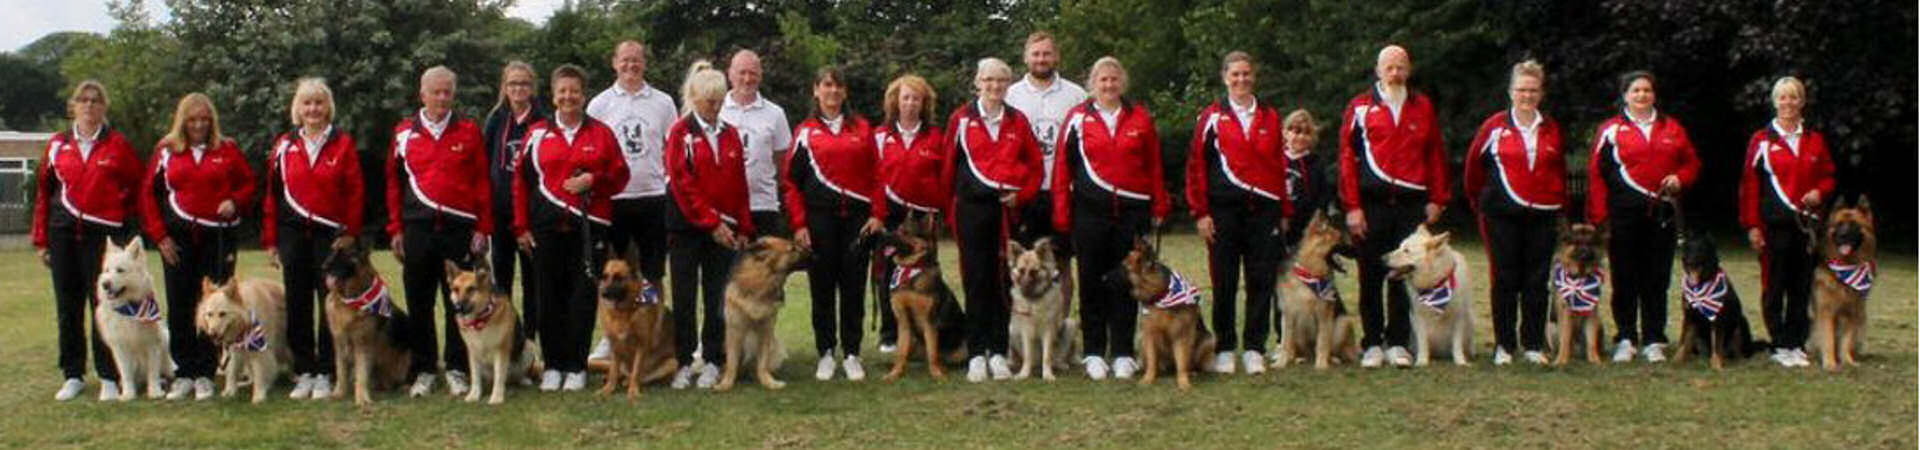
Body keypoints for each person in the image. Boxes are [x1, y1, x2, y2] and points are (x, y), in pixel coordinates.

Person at [514, 64, 630, 391]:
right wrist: (521, 225)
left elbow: (621, 175)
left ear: (584, 95)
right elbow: (520, 183)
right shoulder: (536, 133)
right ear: (553, 95)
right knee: (548, 296)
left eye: (574, 91)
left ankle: (576, 366)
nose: (568, 97)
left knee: (581, 296)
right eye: (562, 91)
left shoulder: (602, 133)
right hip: (546, 228)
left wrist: (594, 179)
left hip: (589, 227)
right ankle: (553, 365)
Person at [1055, 57, 1167, 380]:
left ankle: (1122, 352)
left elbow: (1154, 166)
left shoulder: (1141, 119)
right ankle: (1093, 352)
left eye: (1114, 79)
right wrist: (1062, 214)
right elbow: (1062, 169)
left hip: (1132, 213)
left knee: (1128, 282)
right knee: (1091, 282)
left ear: (1123, 82)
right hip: (1089, 214)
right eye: (1103, 80)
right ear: (1093, 83)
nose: (1109, 85)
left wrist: (1160, 205)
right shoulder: (1077, 119)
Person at [1339, 45, 1449, 368]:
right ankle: (1372, 342)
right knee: (1370, 272)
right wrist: (1352, 206)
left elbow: (1435, 154)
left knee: (1404, 272)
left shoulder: (1422, 106)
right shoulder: (1360, 107)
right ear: (1378, 70)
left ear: (1409, 70)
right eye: (1389, 67)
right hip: (1371, 204)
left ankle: (1398, 341)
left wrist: (1436, 198)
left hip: (1410, 204)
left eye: (1401, 67)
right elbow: (1347, 159)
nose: (1395, 73)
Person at [140, 92, 256, 400]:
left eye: (204, 119)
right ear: (183, 121)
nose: (199, 125)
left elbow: (249, 184)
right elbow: (148, 195)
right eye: (192, 119)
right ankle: (184, 373)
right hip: (177, 240)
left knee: (214, 307)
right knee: (179, 305)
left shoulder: (227, 149)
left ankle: (206, 372)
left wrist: (235, 201)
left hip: (217, 238)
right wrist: (160, 236)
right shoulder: (166, 151)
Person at [386, 66, 492, 397]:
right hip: (417, 228)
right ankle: (424, 369)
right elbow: (392, 184)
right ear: (423, 95)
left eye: (448, 92)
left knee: (458, 303)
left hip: (459, 229)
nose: (442, 98)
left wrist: (483, 226)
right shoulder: (404, 132)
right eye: (436, 92)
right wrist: (395, 228)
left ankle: (458, 367)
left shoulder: (469, 131)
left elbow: (481, 182)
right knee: (420, 301)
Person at [35, 80, 144, 401]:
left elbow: (137, 187)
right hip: (63, 235)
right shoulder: (57, 144)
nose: (89, 106)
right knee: (68, 307)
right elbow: (44, 194)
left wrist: (122, 227)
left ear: (104, 108)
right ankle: (73, 374)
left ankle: (109, 376)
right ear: (73, 106)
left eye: (96, 101)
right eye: (83, 100)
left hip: (102, 236)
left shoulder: (118, 145)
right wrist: (42, 239)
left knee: (105, 305)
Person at [1586, 70, 1699, 363]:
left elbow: (1691, 162)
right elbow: (1596, 174)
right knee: (1624, 276)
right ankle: (1625, 337)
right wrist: (1599, 217)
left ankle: (1654, 338)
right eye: (1635, 90)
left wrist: (1680, 178)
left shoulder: (1672, 128)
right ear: (1625, 95)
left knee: (1657, 276)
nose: (1641, 95)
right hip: (1622, 213)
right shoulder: (1611, 129)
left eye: (1647, 90)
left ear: (1654, 95)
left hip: (1661, 212)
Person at [942, 57, 1043, 383]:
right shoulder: (960, 119)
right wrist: (950, 212)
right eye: (988, 80)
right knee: (977, 282)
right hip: (972, 212)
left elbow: (1035, 166)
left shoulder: (1018, 121)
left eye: (1001, 80)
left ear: (1007, 84)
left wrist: (1022, 196)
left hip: (1008, 212)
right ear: (977, 82)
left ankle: (998, 352)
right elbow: (947, 169)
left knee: (1004, 281)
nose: (994, 86)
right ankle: (976, 354)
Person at [1186, 51, 1288, 375]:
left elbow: (1279, 165)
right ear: (1225, 78)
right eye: (1235, 75)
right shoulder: (1212, 117)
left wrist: (1283, 209)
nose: (1241, 80)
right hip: (1223, 212)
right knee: (1225, 281)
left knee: (1261, 279)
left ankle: (1255, 347)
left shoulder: (1271, 116)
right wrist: (1201, 213)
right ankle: (1226, 347)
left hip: (1264, 211)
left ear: (1253, 76)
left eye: (1246, 74)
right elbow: (1196, 167)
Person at [263, 77, 364, 400]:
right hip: (293, 234)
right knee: (297, 301)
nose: (313, 109)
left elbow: (355, 191)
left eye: (319, 102)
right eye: (307, 103)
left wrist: (349, 231)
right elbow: (271, 195)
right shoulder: (283, 145)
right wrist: (270, 239)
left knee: (330, 302)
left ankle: (326, 370)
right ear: (298, 108)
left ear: (327, 106)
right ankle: (304, 370)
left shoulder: (343, 143)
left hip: (329, 236)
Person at [782, 66, 884, 382]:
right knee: (822, 287)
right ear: (816, 90)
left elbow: (878, 176)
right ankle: (825, 352)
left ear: (845, 92)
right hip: (819, 219)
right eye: (827, 85)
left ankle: (852, 353)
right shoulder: (805, 132)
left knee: (853, 286)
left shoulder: (863, 129)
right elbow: (791, 184)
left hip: (857, 221)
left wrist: (877, 214)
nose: (833, 92)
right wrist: (799, 225)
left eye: (838, 87)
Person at [1463, 60, 1566, 366]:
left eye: (1533, 90)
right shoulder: (1494, 127)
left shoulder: (1551, 128)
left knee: (1536, 281)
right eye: (1521, 89)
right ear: (1511, 92)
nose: (1527, 95)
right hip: (1502, 215)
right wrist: (1483, 202)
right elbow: (1473, 169)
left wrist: (1560, 206)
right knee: (1505, 279)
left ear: (1541, 93)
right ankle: (1504, 346)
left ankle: (1533, 344)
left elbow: (1558, 170)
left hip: (1543, 215)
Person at [664, 61, 755, 389]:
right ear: (693, 97)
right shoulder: (680, 133)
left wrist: (744, 226)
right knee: (685, 295)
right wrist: (710, 222)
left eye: (718, 99)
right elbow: (682, 183)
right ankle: (684, 361)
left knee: (718, 295)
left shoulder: (731, 134)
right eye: (707, 100)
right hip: (687, 226)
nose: (714, 106)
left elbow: (739, 184)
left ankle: (714, 359)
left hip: (726, 229)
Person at [584, 40, 675, 363]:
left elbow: (672, 149)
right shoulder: (599, 104)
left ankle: (651, 327)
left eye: (636, 61)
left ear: (644, 64)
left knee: (650, 274)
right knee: (609, 274)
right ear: (614, 63)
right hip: (614, 201)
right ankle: (611, 335)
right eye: (625, 61)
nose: (631, 66)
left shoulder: (663, 103)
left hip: (652, 198)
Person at [1739, 76, 1833, 368]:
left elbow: (1829, 175)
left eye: (1794, 97)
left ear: (1802, 102)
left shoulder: (1815, 139)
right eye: (1782, 97)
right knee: (1775, 284)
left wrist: (1821, 191)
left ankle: (1796, 341)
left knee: (1801, 285)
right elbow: (1749, 185)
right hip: (1773, 225)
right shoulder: (1762, 140)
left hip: (1806, 226)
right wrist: (1752, 225)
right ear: (1774, 101)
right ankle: (1779, 342)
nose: (1788, 103)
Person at [1006, 30, 1086, 302]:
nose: (1041, 59)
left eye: (1047, 53)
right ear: (1026, 57)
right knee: (1023, 266)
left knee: (1061, 265)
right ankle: (1028, 325)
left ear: (1057, 56)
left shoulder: (1076, 95)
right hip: (1025, 194)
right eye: (1036, 54)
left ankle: (1059, 326)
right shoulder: (1010, 95)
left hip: (1063, 193)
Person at [872, 74, 946, 353]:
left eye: (916, 98)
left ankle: (925, 332)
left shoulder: (937, 137)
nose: (911, 103)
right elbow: (873, 178)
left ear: (924, 103)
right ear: (895, 101)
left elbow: (945, 177)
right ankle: (890, 335)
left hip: (924, 219)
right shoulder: (879, 136)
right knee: (888, 274)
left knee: (925, 276)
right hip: (890, 216)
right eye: (906, 98)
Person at [481, 61, 548, 342]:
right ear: (504, 88)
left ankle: (532, 340)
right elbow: (484, 164)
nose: (518, 89)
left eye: (523, 84)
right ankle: (507, 339)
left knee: (535, 281)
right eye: (513, 84)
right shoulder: (497, 119)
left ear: (532, 88)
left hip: (533, 214)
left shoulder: (543, 120)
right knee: (502, 279)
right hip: (500, 212)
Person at [721, 49, 795, 238]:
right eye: (742, 73)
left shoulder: (775, 114)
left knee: (764, 268)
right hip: (724, 208)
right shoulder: (717, 110)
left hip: (763, 206)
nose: (747, 79)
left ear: (760, 76)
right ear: (730, 74)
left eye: (752, 73)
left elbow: (782, 162)